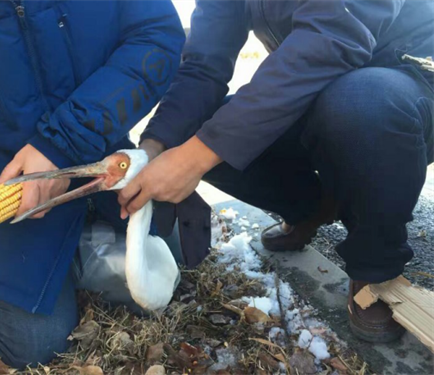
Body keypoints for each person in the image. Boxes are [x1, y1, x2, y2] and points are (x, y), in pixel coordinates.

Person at [118, 0, 434, 344]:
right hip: (326, 85)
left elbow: (333, 35)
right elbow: (204, 67)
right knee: (202, 131)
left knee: (361, 104)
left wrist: (192, 159)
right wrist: (154, 148)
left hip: (406, 79)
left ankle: (377, 266)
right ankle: (313, 209)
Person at [0, 0, 184, 368]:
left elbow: (156, 33)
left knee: (170, 272)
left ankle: (73, 251)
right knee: (37, 344)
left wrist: (64, 141)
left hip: (92, 150)